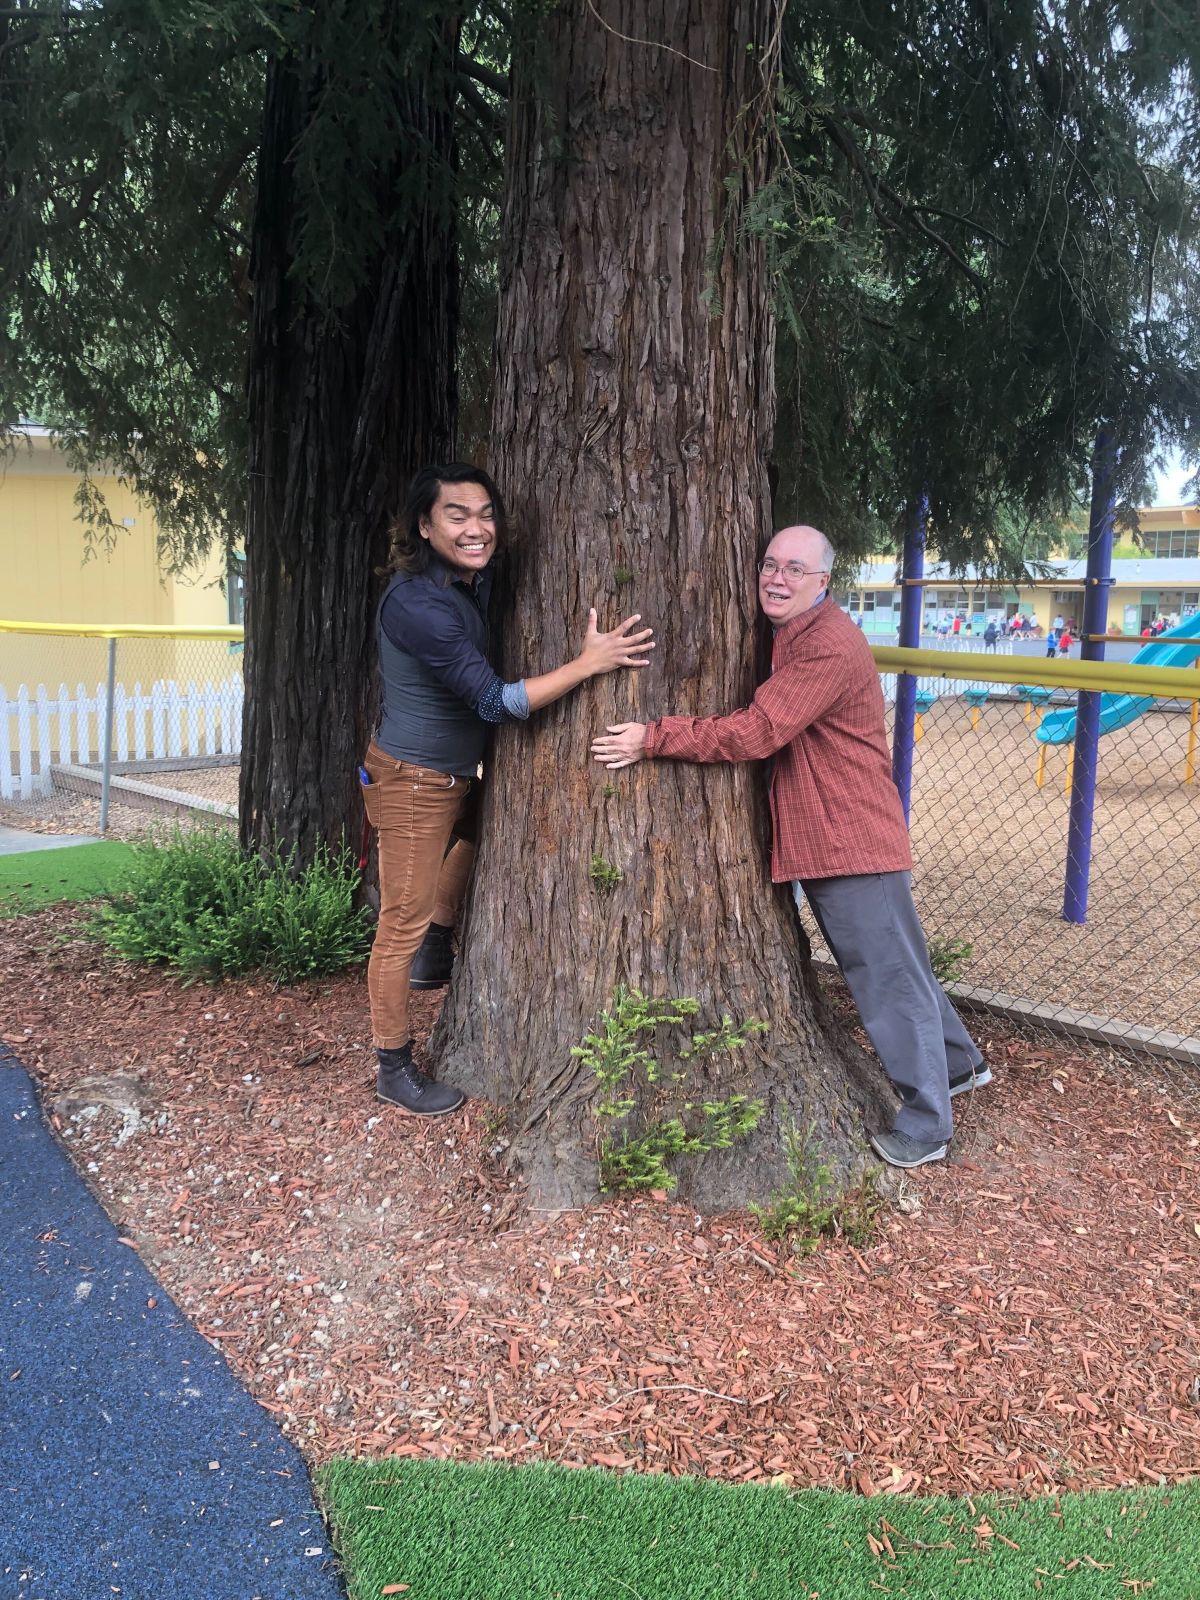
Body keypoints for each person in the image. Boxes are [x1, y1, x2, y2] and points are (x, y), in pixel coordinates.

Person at [591, 524, 987, 1170]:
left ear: (824, 582)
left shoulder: (826, 645)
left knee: (884, 979)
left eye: (794, 570)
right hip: (844, 834)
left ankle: (927, 1123)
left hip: (849, 839)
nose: (776, 578)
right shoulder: (795, 635)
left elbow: (758, 731)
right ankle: (959, 1065)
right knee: (900, 964)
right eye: (769, 565)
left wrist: (653, 737)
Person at [364, 462, 654, 1116]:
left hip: (453, 774)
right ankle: (392, 1065)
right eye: (456, 515)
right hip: (414, 781)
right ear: (423, 525)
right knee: (397, 924)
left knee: (480, 830)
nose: (476, 528)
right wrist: (591, 661)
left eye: (485, 513)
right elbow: (495, 702)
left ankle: (440, 942)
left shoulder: (468, 580)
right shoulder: (420, 606)